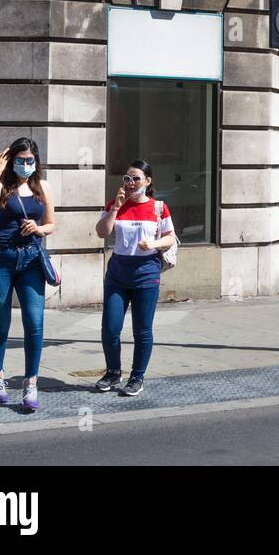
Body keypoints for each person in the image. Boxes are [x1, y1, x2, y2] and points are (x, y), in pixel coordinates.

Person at [0, 137, 56, 411]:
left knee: (34, 323)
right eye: (20, 160)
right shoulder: (2, 187)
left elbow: (51, 224)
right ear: (12, 161)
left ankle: (30, 383)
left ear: (37, 161)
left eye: (30, 160)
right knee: (0, 323)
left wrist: (38, 229)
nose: (26, 165)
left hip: (31, 262)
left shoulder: (42, 187)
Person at [94, 160, 176, 397]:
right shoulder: (116, 204)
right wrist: (115, 208)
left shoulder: (158, 207)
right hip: (118, 272)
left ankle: (137, 376)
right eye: (127, 179)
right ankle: (112, 372)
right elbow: (102, 232)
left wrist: (153, 243)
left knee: (142, 330)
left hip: (145, 273)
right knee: (110, 328)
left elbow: (170, 237)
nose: (130, 184)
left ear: (148, 181)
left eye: (136, 178)